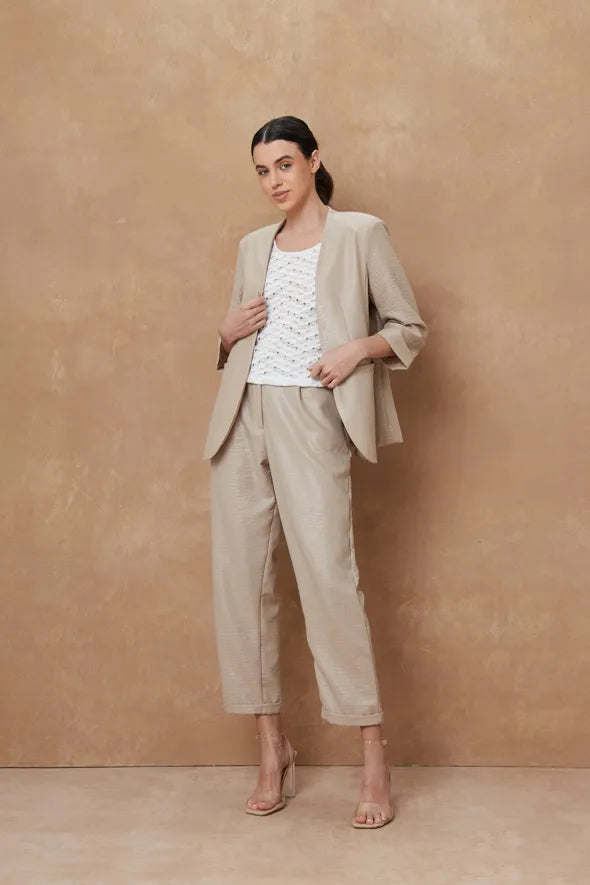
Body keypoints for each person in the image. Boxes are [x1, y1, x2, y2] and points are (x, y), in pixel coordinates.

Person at [201, 115, 428, 828]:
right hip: (243, 416)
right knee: (243, 585)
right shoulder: (252, 246)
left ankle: (373, 755)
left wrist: (356, 349)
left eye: (284, 165)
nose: (273, 180)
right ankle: (272, 749)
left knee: (329, 577)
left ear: (313, 161)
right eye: (262, 170)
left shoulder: (359, 234)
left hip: (312, 412)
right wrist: (223, 335)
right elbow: (237, 337)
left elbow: (408, 328)